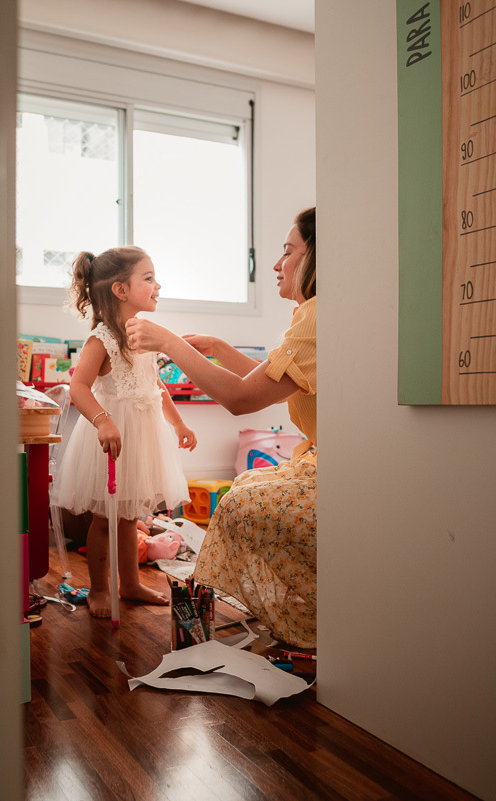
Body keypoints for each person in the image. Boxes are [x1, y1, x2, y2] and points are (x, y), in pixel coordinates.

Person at [126, 207, 317, 647]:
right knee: (245, 486)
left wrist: (171, 343)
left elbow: (242, 398)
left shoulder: (315, 316)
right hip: (314, 456)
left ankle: (289, 620)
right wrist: (217, 348)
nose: (276, 264)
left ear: (314, 260)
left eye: (288, 252)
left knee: (236, 502)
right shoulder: (310, 316)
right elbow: (279, 382)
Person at [51, 246, 197, 618]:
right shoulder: (102, 339)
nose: (157, 285)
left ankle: (130, 584)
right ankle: (100, 588)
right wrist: (102, 420)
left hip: (143, 435)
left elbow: (156, 386)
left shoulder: (145, 336)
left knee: (131, 514)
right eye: (148, 278)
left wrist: (177, 422)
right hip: (111, 436)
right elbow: (78, 387)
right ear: (120, 290)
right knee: (105, 517)